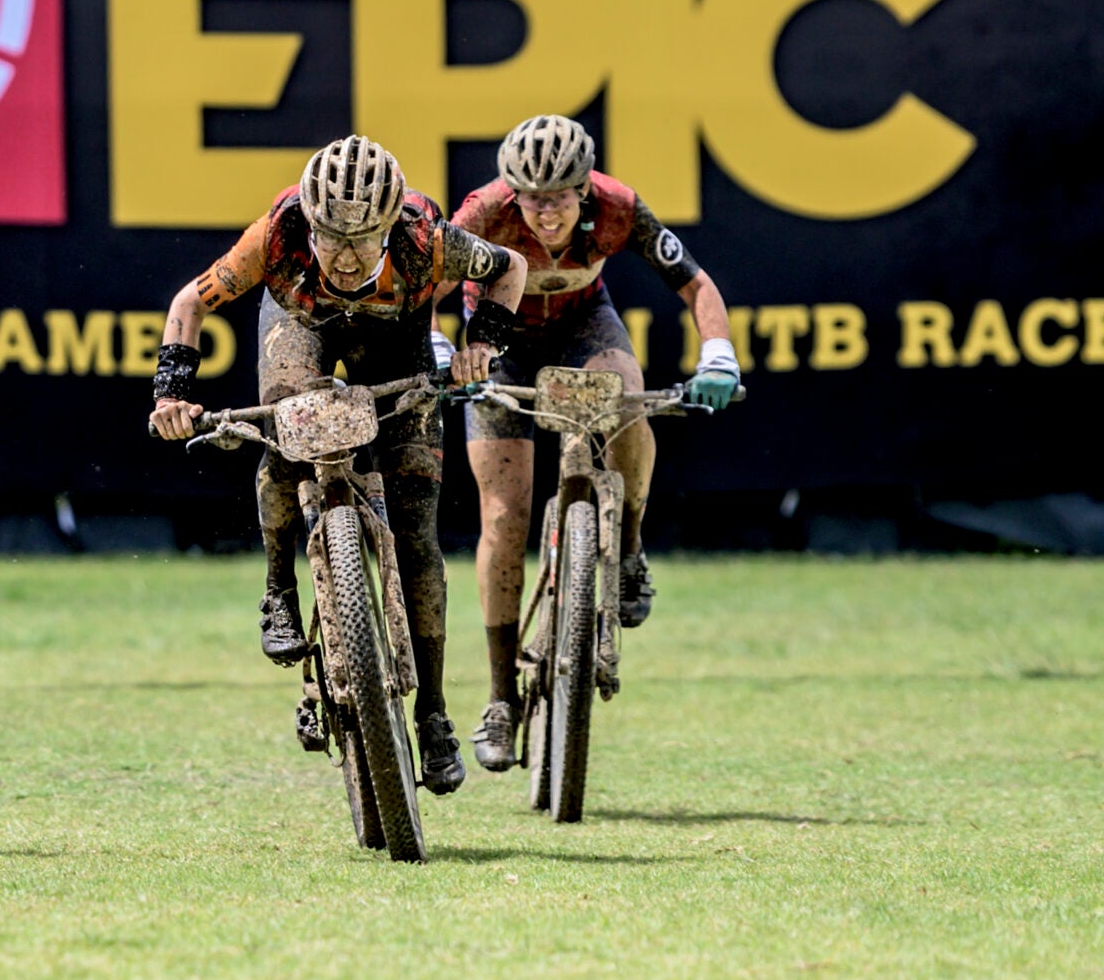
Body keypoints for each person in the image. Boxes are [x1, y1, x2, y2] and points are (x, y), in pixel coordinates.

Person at [147, 135, 526, 795]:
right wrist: (171, 392)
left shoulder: (427, 239)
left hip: (397, 344)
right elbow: (191, 302)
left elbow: (509, 268)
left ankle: (433, 712)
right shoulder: (278, 235)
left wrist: (481, 345)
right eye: (332, 236)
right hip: (301, 327)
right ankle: (278, 587)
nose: (347, 256)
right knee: (284, 428)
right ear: (310, 222)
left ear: (391, 226)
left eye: (364, 238)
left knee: (416, 529)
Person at [448, 115, 740, 774]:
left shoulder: (619, 207)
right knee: (503, 512)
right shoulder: (483, 212)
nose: (545, 212)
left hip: (585, 325)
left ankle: (629, 545)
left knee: (630, 402)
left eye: (559, 196)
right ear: (509, 189)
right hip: (497, 340)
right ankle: (500, 697)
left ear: (585, 188)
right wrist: (441, 349)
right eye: (531, 196)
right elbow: (426, 289)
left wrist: (718, 355)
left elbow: (695, 283)